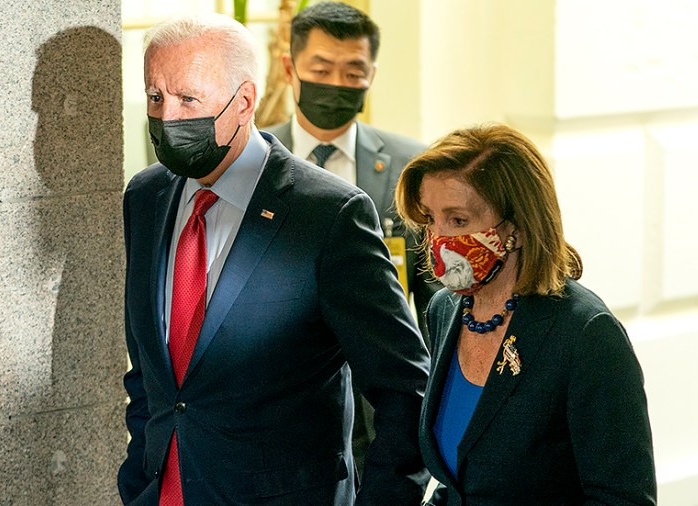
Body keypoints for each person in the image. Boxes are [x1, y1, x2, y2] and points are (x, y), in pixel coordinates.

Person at [117, 13, 430, 506]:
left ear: (243, 102)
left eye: (188, 99)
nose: (168, 117)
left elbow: (404, 389)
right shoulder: (146, 196)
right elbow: (151, 376)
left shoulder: (328, 216)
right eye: (156, 97)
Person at [395, 124, 657, 505]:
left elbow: (623, 498)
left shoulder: (586, 332)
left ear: (516, 228)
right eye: (431, 218)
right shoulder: (445, 309)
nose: (438, 239)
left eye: (458, 220)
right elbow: (460, 482)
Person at [264, 1, 440, 471]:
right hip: (278, 403)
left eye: (353, 72)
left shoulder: (414, 169)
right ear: (290, 67)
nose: (336, 84)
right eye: (321, 68)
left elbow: (437, 300)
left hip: (381, 404)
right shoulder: (253, 162)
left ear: (371, 75)